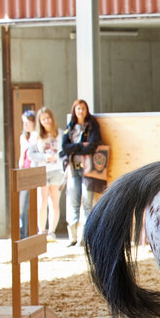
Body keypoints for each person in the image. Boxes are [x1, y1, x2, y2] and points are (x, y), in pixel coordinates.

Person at [60, 98, 104, 247]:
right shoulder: (71, 126)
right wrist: (79, 147)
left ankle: (84, 237)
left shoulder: (92, 125)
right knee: (73, 200)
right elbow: (64, 146)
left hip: (88, 168)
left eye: (83, 108)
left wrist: (76, 148)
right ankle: (72, 236)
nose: (81, 111)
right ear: (74, 110)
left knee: (87, 201)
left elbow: (92, 145)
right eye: (78, 109)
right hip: (73, 167)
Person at [27, 107, 64, 242]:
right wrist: (44, 157)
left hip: (57, 170)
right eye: (43, 119)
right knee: (42, 201)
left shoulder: (60, 133)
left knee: (54, 202)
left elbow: (64, 151)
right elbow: (30, 154)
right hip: (41, 170)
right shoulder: (35, 136)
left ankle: (51, 232)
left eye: (48, 118)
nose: (46, 121)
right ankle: (41, 231)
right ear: (40, 122)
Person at [17, 110, 36, 238]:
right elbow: (22, 155)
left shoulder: (37, 135)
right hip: (24, 172)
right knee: (22, 205)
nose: (26, 125)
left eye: (28, 122)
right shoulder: (23, 137)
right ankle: (23, 234)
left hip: (35, 173)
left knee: (34, 204)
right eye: (24, 122)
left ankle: (34, 232)